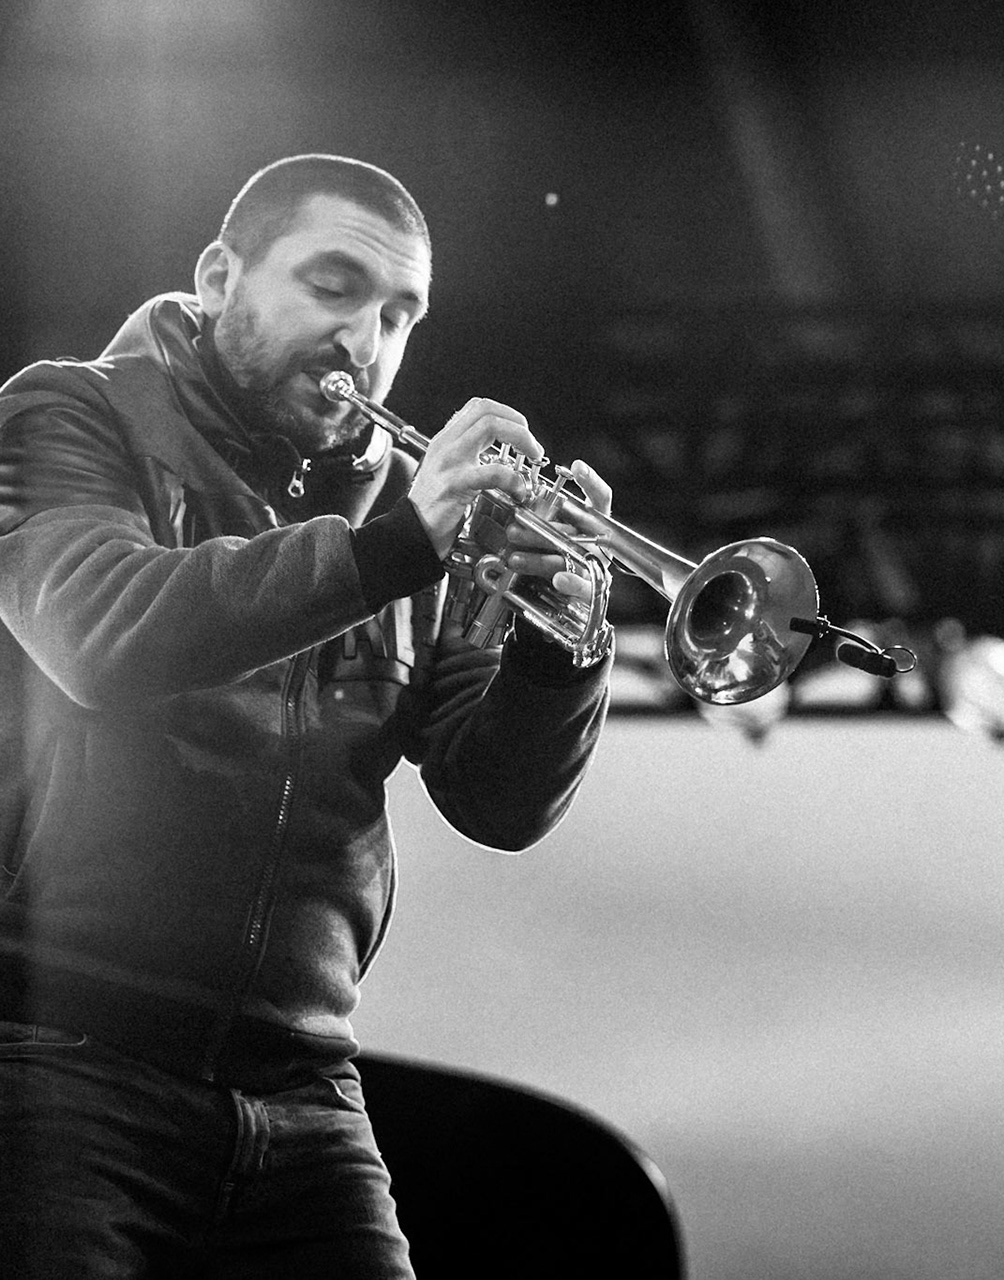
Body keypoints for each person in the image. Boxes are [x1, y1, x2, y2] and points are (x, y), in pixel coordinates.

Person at [0, 154, 614, 1277]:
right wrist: (397, 548)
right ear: (220, 273)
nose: (365, 341)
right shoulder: (68, 412)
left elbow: (497, 800)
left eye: (398, 314)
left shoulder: (412, 513)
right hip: (56, 1054)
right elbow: (98, 632)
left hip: (307, 1088)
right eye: (333, 288)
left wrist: (556, 647)